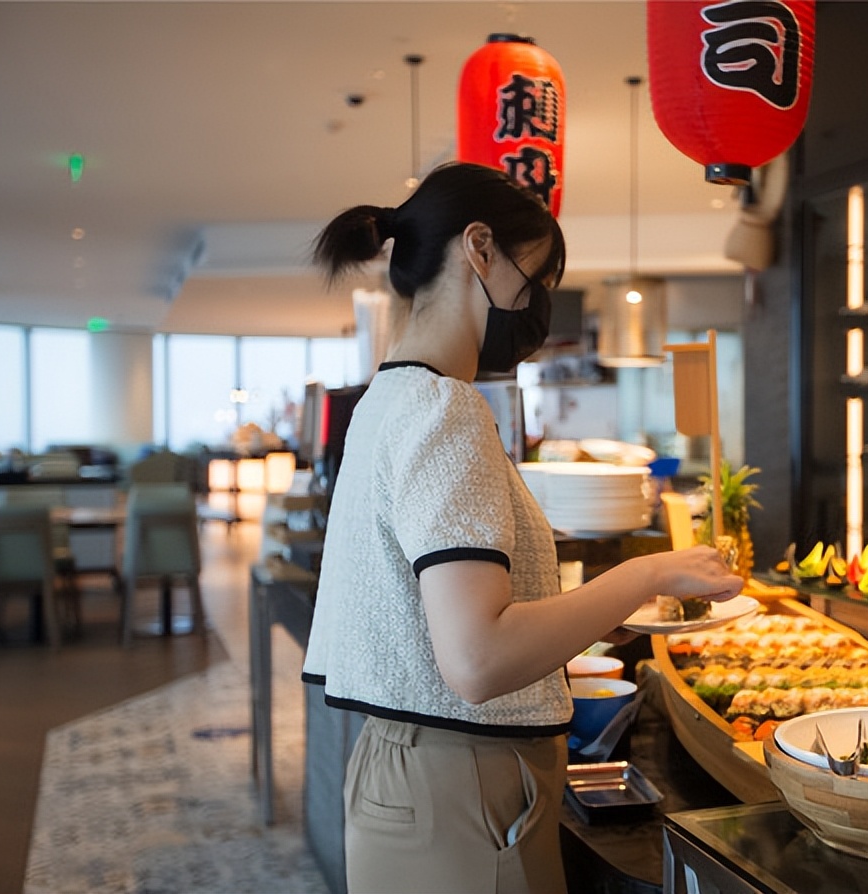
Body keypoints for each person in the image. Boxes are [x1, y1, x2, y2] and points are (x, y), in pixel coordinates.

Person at [300, 163, 743, 894]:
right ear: (480, 248)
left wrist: (598, 618)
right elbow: (477, 660)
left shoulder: (387, 398)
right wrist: (649, 572)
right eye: (535, 276)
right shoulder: (446, 410)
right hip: (462, 785)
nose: (538, 303)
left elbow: (433, 622)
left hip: (410, 773)